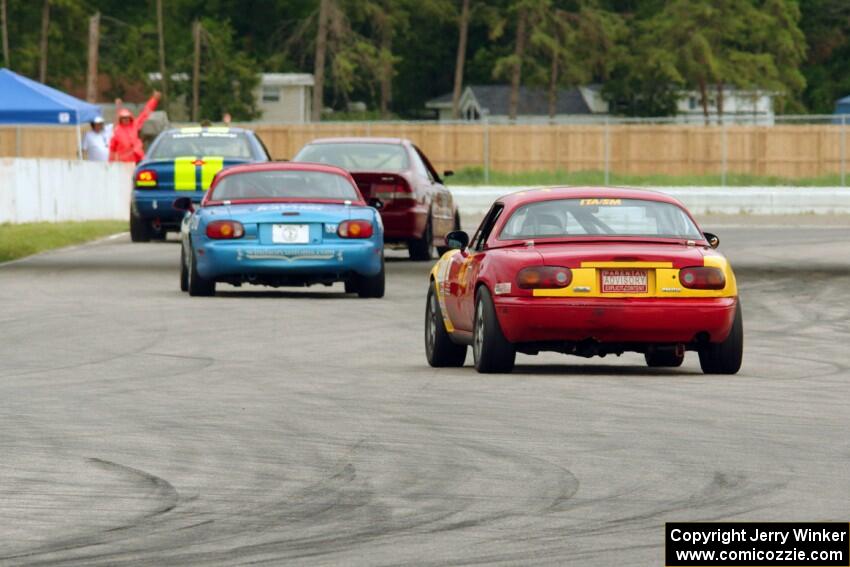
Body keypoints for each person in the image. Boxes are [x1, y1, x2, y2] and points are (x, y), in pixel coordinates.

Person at [109, 91, 161, 163]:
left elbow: (145, 113)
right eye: (124, 118)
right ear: (121, 119)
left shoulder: (134, 125)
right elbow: (112, 149)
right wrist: (111, 163)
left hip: (138, 158)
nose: (126, 119)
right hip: (124, 162)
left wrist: (154, 100)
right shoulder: (117, 130)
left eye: (127, 117)